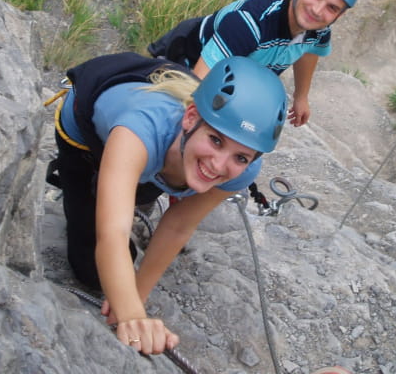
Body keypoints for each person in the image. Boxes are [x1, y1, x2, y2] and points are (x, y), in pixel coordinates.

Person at [49, 52, 287, 355]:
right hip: (84, 135)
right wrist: (132, 316)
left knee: (144, 188)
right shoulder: (139, 130)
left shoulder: (243, 170)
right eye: (216, 140)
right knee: (91, 271)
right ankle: (102, 181)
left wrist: (135, 298)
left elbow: (178, 224)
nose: (219, 164)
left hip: (165, 155)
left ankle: (130, 186)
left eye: (240, 157)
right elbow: (113, 235)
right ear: (190, 118)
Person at [147, 0, 362, 127]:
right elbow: (196, 84)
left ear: (339, 15)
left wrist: (300, 96)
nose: (317, 10)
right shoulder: (250, 23)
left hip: (235, 79)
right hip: (185, 62)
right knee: (169, 122)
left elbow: (309, 50)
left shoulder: (319, 29)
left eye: (332, 8)